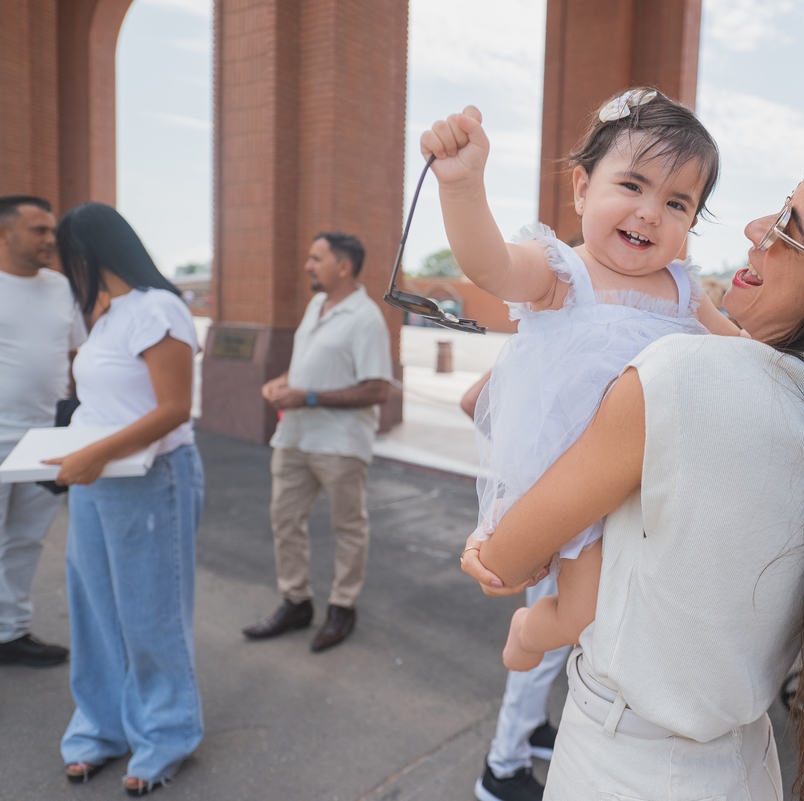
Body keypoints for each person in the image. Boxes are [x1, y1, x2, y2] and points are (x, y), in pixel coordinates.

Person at [463, 135, 804, 801]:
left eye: (787, 228)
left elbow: (512, 558)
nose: (753, 230)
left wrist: (490, 543)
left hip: (621, 766)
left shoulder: (681, 375)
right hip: (744, 764)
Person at [422, 88, 742, 801]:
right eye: (631, 185)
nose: (650, 213)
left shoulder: (687, 293)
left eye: (679, 202)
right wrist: (465, 184)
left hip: (641, 489)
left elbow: (748, 360)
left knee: (619, 613)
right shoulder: (562, 272)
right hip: (562, 477)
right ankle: (527, 637)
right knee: (577, 611)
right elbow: (489, 264)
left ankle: (553, 698)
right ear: (580, 188)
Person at [48, 203, 203, 795]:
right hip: (96, 480)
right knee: (94, 611)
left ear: (85, 252)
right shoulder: (109, 314)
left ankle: (164, 736)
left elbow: (173, 410)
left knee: (150, 615)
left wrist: (93, 454)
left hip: (148, 480)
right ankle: (100, 729)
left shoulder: (158, 309)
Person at [243, 233, 392, 652]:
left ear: (342, 267)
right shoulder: (315, 306)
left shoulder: (365, 318)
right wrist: (285, 384)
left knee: (348, 528)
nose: (308, 265)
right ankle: (296, 602)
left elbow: (378, 388)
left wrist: (306, 396)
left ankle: (343, 606)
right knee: (284, 520)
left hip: (340, 445)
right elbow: (310, 370)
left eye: (316, 258)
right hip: (293, 436)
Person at [0, 195, 86, 668]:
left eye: (52, 230)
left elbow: (80, 358)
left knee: (26, 539)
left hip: (47, 438)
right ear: (4, 233)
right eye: (38, 230)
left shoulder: (63, 289)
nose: (51, 239)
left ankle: (10, 633)